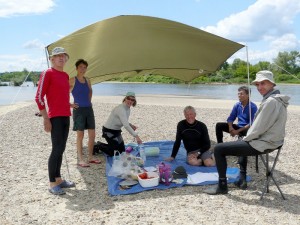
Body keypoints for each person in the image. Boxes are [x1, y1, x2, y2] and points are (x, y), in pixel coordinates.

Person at [204, 70, 290, 195]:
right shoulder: (277, 100)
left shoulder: (270, 102)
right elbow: (259, 126)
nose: (259, 87)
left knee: (219, 149)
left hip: (264, 142)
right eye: (257, 84)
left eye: (263, 83)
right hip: (274, 141)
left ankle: (222, 186)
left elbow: (257, 128)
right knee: (231, 138)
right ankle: (241, 178)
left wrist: (243, 139)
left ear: (272, 84)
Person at [35, 47, 75, 195]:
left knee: (62, 148)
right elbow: (39, 97)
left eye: (63, 56)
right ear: (52, 59)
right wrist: (46, 119)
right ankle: (52, 183)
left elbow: (60, 96)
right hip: (55, 117)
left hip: (66, 115)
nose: (61, 58)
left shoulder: (65, 75)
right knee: (56, 149)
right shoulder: (48, 73)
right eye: (57, 56)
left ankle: (58, 179)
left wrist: (68, 104)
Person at [69, 59, 100, 167]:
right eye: (81, 67)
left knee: (92, 134)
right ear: (77, 68)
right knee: (80, 135)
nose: (83, 69)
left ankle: (90, 157)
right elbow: (63, 93)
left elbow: (90, 90)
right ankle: (81, 159)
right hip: (79, 110)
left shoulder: (88, 80)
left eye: (85, 67)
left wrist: (89, 101)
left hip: (88, 109)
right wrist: (70, 104)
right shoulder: (72, 80)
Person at [101, 92, 143, 156]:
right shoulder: (121, 109)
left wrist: (131, 125)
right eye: (128, 98)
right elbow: (126, 125)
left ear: (134, 101)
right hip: (108, 131)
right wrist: (136, 136)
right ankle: (98, 145)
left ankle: (110, 146)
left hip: (117, 131)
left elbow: (124, 121)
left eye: (132, 100)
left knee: (122, 151)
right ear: (125, 99)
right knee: (115, 153)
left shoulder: (127, 108)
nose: (130, 101)